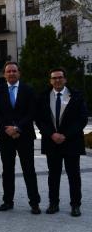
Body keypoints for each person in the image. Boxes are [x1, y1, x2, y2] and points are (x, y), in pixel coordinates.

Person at [36, 68, 88, 217]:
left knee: (74, 175)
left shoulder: (76, 96)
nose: (57, 80)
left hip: (71, 142)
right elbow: (39, 119)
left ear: (65, 79)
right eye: (54, 78)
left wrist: (65, 135)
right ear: (50, 80)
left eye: (60, 77)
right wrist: (52, 134)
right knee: (53, 175)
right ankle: (53, 204)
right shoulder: (44, 96)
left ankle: (75, 205)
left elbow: (82, 119)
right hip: (51, 141)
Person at [0, 62, 41, 214]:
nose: (12, 73)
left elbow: (32, 111)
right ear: (4, 74)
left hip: (24, 135)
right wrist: (7, 128)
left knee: (29, 169)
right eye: (9, 71)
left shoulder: (28, 89)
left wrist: (17, 127)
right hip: (5, 135)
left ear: (19, 73)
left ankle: (34, 203)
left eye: (14, 71)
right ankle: (8, 201)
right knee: (7, 170)